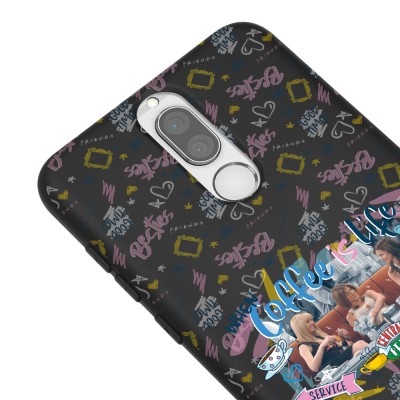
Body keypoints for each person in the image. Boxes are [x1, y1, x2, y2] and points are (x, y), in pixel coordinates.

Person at [290, 313, 368, 373]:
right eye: (308, 321)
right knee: (360, 344)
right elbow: (314, 367)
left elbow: (342, 348)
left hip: (341, 360)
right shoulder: (303, 346)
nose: (312, 322)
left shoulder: (320, 336)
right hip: (332, 367)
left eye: (312, 320)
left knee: (358, 353)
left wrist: (345, 338)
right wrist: (322, 346)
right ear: (301, 327)